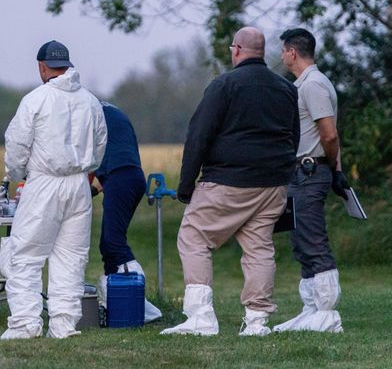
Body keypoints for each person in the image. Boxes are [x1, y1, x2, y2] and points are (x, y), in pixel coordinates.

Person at [161, 27, 299, 337]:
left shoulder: (224, 85)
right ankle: (257, 321)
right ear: (263, 52)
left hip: (228, 180)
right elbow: (294, 135)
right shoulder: (286, 88)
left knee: (194, 236)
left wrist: (186, 186)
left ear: (235, 50)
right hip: (273, 183)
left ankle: (200, 316)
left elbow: (199, 136)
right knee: (259, 247)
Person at [0, 40, 107, 339]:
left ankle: (25, 323)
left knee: (26, 255)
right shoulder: (91, 101)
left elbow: (17, 145)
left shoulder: (36, 99)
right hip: (79, 186)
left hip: (44, 182)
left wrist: (17, 174)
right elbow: (100, 147)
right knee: (70, 257)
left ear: (42, 67)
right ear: (68, 65)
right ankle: (62, 325)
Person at [273, 28, 347, 333]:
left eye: (282, 51)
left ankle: (327, 313)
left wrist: (335, 169)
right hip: (300, 172)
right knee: (301, 240)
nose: (281, 56)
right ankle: (311, 309)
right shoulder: (303, 84)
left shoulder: (313, 85)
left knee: (313, 240)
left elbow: (328, 134)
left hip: (310, 171)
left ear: (292, 52)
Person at [91, 102, 162, 323]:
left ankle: (140, 306)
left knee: (113, 242)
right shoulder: (108, 111)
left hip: (120, 177)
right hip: (127, 176)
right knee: (108, 244)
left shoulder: (87, 112)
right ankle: (115, 305)